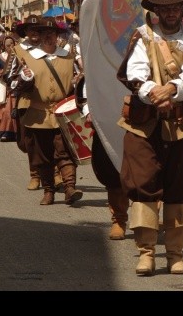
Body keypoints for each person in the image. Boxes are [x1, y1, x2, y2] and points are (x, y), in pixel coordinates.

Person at [116, 0, 183, 276]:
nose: (171, 12)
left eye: (176, 8)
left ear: (182, 11)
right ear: (156, 11)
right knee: (143, 185)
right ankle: (146, 253)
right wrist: (152, 92)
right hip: (142, 124)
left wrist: (174, 88)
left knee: (178, 189)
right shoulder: (142, 36)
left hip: (178, 123)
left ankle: (175, 254)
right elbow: (132, 72)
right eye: (165, 8)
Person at [11, 14, 83, 206]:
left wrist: (78, 83)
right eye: (43, 33)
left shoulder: (68, 57)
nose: (47, 36)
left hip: (64, 112)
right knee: (42, 154)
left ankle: (69, 187)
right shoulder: (27, 58)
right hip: (38, 114)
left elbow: (80, 82)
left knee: (65, 151)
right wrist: (25, 79)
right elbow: (13, 86)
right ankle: (49, 190)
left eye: (51, 33)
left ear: (57, 36)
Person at [5, 19, 63, 191]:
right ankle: (35, 174)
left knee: (56, 141)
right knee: (30, 142)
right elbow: (7, 76)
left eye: (38, 31)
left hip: (51, 102)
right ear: (26, 32)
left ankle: (56, 173)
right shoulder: (17, 51)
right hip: (26, 102)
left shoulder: (51, 50)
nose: (36, 35)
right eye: (32, 31)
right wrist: (23, 78)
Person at [76, 74, 130, 240]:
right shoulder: (100, 59)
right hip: (108, 125)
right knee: (112, 174)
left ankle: (148, 222)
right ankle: (118, 219)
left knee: (148, 175)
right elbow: (85, 95)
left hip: (143, 122)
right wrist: (88, 112)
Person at [0, 35, 18, 142]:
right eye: (7, 45)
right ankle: (0, 131)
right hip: (2, 86)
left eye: (11, 44)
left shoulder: (18, 57)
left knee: (10, 111)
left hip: (13, 86)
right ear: (4, 46)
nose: (10, 46)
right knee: (0, 110)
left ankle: (10, 132)